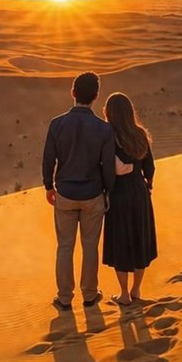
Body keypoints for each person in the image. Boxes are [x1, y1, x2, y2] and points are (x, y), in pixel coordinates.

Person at [43, 71, 116, 310]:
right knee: (90, 246)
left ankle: (64, 298)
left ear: (72, 93)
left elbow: (48, 159)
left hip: (64, 194)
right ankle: (89, 294)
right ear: (96, 96)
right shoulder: (104, 129)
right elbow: (108, 166)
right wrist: (108, 192)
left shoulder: (57, 124)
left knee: (65, 246)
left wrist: (48, 186)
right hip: (93, 195)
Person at [101, 92, 157, 306]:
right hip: (139, 192)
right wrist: (148, 185)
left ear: (109, 113)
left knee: (121, 242)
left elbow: (105, 169)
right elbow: (149, 167)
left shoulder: (108, 137)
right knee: (139, 239)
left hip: (118, 194)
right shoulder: (140, 134)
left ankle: (124, 293)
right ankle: (136, 290)